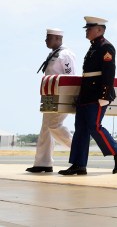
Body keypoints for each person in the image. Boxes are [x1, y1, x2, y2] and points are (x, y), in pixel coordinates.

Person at [59, 17, 117, 175]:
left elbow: (109, 73)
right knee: (80, 129)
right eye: (87, 28)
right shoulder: (93, 48)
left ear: (100, 30)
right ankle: (78, 164)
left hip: (97, 95)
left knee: (94, 126)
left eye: (90, 28)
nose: (87, 31)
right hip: (86, 94)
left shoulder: (106, 47)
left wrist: (104, 95)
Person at [27, 29, 77, 173]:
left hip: (61, 96)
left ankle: (78, 149)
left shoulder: (65, 54)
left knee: (53, 125)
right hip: (50, 96)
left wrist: (68, 99)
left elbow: (71, 77)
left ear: (57, 38)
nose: (45, 40)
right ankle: (43, 163)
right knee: (45, 129)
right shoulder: (54, 54)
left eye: (48, 38)